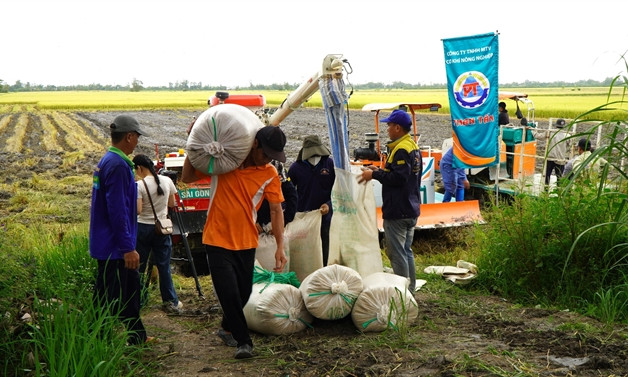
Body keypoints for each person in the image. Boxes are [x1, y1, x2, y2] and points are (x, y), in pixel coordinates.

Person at [181, 125, 288, 360]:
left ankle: (227, 327)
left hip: (247, 241)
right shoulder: (224, 163)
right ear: (255, 144)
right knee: (228, 292)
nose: (268, 159)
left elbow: (276, 210)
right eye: (266, 153)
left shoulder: (269, 174)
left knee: (244, 293)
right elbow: (187, 177)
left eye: (273, 156)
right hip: (216, 238)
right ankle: (244, 341)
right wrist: (194, 146)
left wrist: (281, 246)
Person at [89, 115, 149, 345]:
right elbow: (118, 210)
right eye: (136, 138)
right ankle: (99, 341)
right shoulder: (118, 166)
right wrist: (127, 247)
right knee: (109, 298)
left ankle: (137, 337)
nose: (137, 143)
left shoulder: (107, 161)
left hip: (108, 243)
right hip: (115, 247)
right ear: (129, 136)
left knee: (125, 291)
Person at [358, 109, 421, 292]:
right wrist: (378, 170)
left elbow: (399, 179)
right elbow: (404, 175)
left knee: (397, 253)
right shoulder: (411, 146)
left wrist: (374, 175)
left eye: (389, 126)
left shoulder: (401, 149)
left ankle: (402, 294)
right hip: (411, 207)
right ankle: (410, 290)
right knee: (406, 251)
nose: (387, 129)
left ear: (398, 127)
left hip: (398, 209)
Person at [133, 154, 183, 314]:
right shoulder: (167, 181)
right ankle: (170, 301)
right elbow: (172, 204)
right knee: (164, 266)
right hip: (162, 228)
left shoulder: (139, 185)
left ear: (140, 168)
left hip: (143, 228)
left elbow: (138, 210)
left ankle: (140, 299)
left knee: (140, 266)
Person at [287, 135, 335, 266]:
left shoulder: (329, 164)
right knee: (305, 249)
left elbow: (337, 191)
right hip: (304, 217)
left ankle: (324, 270)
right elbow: (288, 193)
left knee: (325, 246)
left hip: (324, 217)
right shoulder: (295, 168)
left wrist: (329, 205)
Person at [256, 160, 297, 233]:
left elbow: (292, 197)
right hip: (255, 218)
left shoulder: (278, 167)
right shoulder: (250, 170)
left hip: (275, 217)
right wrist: (254, 221)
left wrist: (283, 221)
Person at [531, 118, 571, 185]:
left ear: (555, 126)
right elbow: (571, 145)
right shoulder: (567, 135)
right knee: (560, 177)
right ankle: (559, 192)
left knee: (547, 176)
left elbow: (538, 136)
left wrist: (532, 130)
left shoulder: (550, 132)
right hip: (560, 159)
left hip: (550, 158)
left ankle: (545, 191)